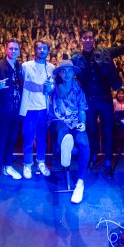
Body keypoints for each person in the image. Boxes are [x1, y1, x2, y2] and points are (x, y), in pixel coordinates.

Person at [71, 19, 124, 175]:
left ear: (93, 39)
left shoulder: (105, 52)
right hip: (88, 100)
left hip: (105, 99)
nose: (88, 40)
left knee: (108, 131)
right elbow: (66, 73)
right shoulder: (75, 59)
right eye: (85, 38)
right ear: (80, 40)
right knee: (91, 131)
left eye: (90, 37)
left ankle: (108, 162)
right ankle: (93, 158)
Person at [48, 60, 89, 204]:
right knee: (62, 131)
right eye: (63, 71)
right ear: (59, 73)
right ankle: (66, 145)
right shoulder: (54, 87)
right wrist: (53, 84)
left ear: (73, 73)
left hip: (75, 122)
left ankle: (80, 183)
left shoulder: (78, 88)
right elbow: (47, 89)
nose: (67, 74)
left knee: (84, 143)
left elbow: (82, 109)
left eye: (69, 71)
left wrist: (82, 123)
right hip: (58, 121)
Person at [0, 39, 24, 194]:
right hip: (3, 112)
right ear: (6, 49)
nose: (13, 51)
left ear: (19, 51)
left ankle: (7, 167)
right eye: (11, 48)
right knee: (0, 143)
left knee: (12, 140)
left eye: (16, 49)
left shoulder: (19, 67)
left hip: (16, 112)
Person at [20, 41, 55, 179]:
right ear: (34, 50)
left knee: (42, 138)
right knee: (28, 138)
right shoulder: (25, 66)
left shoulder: (52, 67)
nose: (42, 50)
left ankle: (41, 162)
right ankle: (27, 164)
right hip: (30, 108)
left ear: (48, 51)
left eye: (44, 48)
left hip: (44, 109)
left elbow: (53, 90)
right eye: (39, 48)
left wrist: (50, 89)